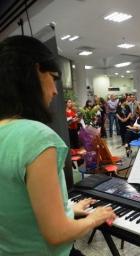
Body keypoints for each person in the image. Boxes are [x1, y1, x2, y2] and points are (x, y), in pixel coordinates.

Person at [0, 35, 115, 255]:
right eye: (53, 78)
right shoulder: (35, 136)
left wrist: (67, 209)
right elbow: (57, 234)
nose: (55, 90)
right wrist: (95, 218)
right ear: (34, 73)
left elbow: (16, 206)